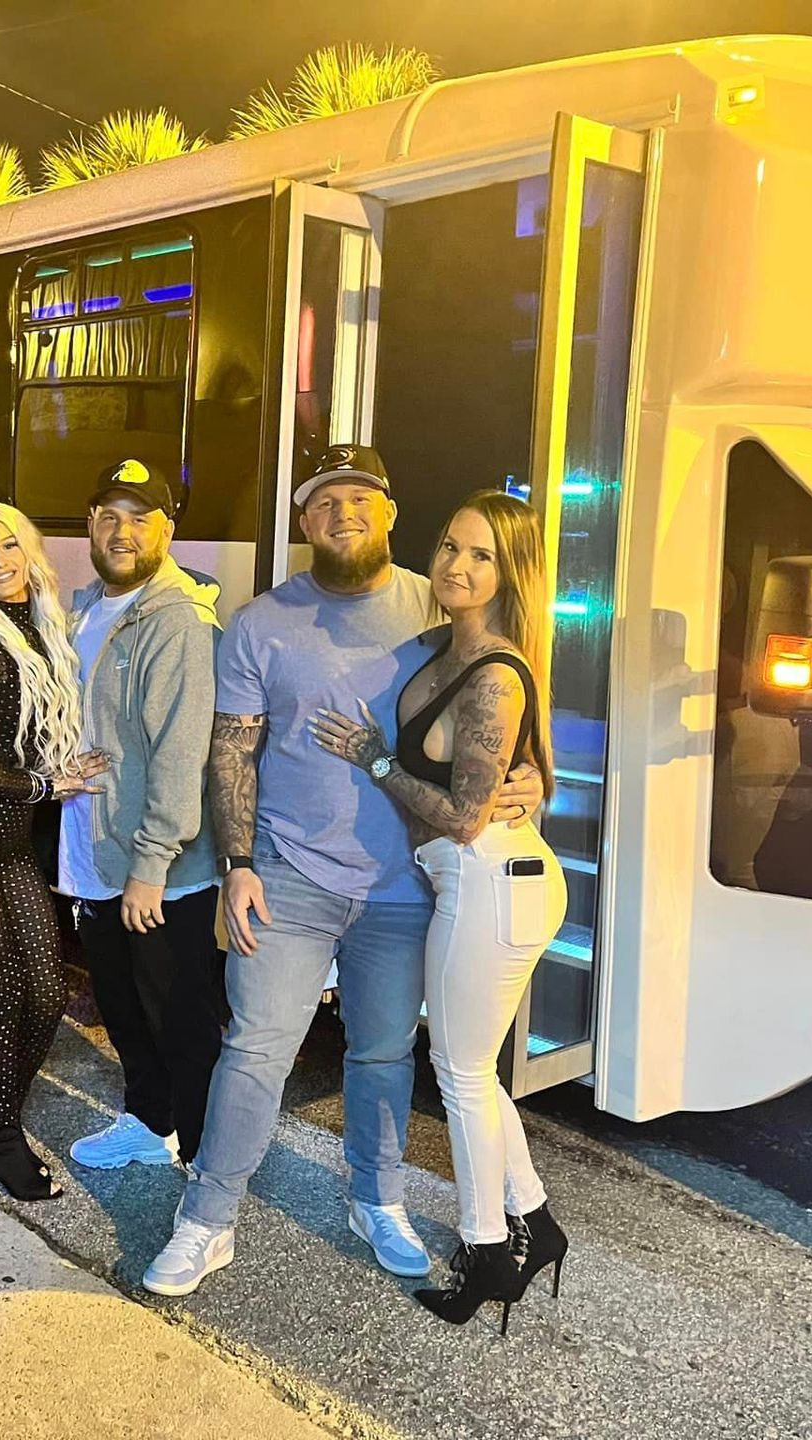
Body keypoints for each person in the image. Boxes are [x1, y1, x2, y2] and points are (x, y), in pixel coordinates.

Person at [142, 444, 543, 1298]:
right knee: (255, 1051)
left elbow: (494, 709)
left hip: (406, 884)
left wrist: (527, 782)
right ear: (302, 520)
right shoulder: (259, 623)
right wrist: (239, 865)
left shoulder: (436, 613)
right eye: (324, 501)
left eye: (362, 498)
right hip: (287, 873)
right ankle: (207, 1220)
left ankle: (378, 1198)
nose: (344, 513)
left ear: (392, 515)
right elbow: (232, 751)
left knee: (383, 1055)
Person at [313, 490, 568, 1330]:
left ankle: (486, 1252)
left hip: (489, 879)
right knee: (473, 1069)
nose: (458, 566)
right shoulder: (441, 649)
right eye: (452, 547)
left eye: (481, 556)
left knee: (459, 1075)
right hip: (483, 876)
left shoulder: (493, 673)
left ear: (511, 573)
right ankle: (535, 1218)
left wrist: (376, 761)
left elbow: (462, 814)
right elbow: (517, 776)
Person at [0, 502, 106, 1200]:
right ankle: (0, 1139)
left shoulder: (45, 630)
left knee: (49, 989)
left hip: (9, 839)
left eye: (9, 545)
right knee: (7, 986)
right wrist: (49, 782)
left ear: (31, 550)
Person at [59, 461, 225, 1173]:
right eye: (108, 515)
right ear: (90, 524)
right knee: (124, 1011)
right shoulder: (83, 611)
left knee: (181, 1021)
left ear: (168, 530)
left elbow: (181, 755)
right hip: (94, 853)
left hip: (158, 873)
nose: (121, 531)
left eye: (140, 517)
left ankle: (207, 1167)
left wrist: (152, 867)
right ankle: (150, 1122)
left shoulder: (176, 621)